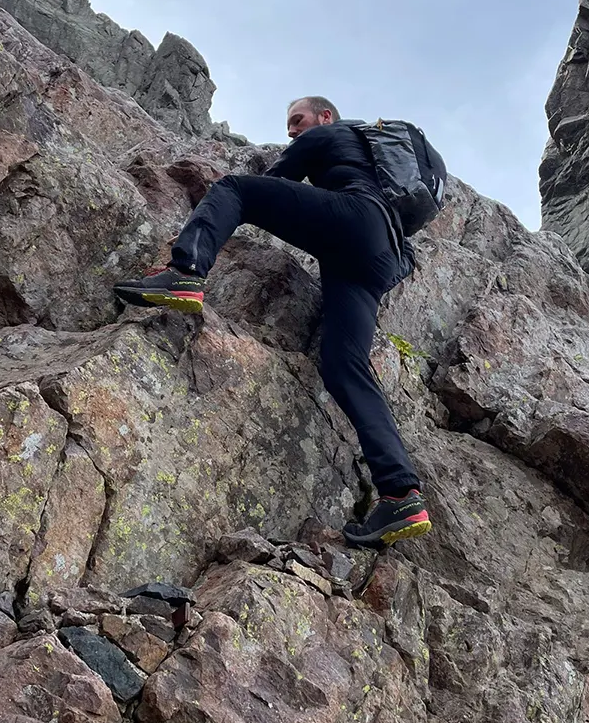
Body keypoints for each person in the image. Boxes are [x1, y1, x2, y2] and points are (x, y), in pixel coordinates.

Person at [114, 96, 431, 548]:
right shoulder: (379, 165)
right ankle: (401, 494)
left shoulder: (334, 132)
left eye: (297, 120)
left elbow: (274, 183)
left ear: (324, 116)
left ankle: (185, 273)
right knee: (345, 366)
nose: (291, 130)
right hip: (382, 257)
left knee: (235, 189)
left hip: (355, 219)